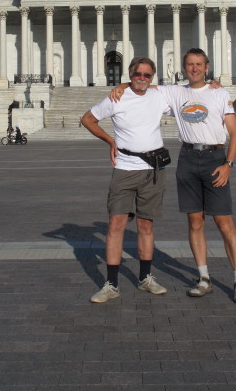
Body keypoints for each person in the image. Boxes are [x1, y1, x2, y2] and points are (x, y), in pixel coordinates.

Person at [111, 48, 236, 303]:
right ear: (184, 67)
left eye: (199, 64)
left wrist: (229, 164)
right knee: (195, 221)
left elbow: (235, 132)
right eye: (190, 64)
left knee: (224, 222)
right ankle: (203, 277)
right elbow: (142, 85)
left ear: (206, 66)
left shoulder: (219, 93)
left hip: (214, 158)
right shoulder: (174, 92)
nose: (194, 68)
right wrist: (123, 83)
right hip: (187, 158)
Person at [81, 57, 172, 303]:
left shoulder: (159, 95)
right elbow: (87, 119)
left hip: (153, 169)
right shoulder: (116, 97)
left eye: (147, 75)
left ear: (153, 77)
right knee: (115, 225)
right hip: (124, 168)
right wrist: (110, 141)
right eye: (137, 74)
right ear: (130, 74)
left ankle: (145, 278)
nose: (142, 78)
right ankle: (111, 284)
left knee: (146, 226)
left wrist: (213, 83)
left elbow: (189, 92)